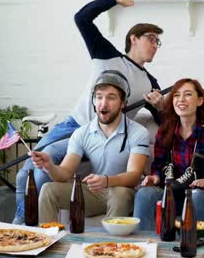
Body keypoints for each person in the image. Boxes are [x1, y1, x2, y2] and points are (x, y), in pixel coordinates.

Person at [12, 0, 164, 224]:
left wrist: (160, 106)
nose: (155, 45)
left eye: (158, 42)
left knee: (41, 169)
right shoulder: (108, 55)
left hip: (105, 135)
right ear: (133, 38)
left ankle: (24, 227)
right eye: (151, 39)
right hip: (74, 127)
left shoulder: (151, 83)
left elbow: (163, 122)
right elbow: (82, 18)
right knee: (29, 171)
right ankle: (21, 224)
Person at [30, 70, 151, 222]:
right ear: (94, 101)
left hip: (123, 192)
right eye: (99, 97)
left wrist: (106, 180)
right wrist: (50, 166)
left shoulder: (138, 132)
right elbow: (65, 173)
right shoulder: (81, 133)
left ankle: (111, 245)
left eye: (111, 97)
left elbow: (133, 176)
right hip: (94, 192)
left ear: (123, 103)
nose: (103, 103)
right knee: (48, 189)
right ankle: (47, 240)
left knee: (118, 194)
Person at [133, 78, 204, 230]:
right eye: (176, 95)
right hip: (171, 193)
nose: (181, 99)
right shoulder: (166, 129)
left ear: (200, 101)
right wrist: (154, 177)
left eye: (188, 94)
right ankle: (146, 247)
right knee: (144, 194)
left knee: (195, 196)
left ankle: (194, 248)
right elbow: (158, 167)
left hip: (202, 194)